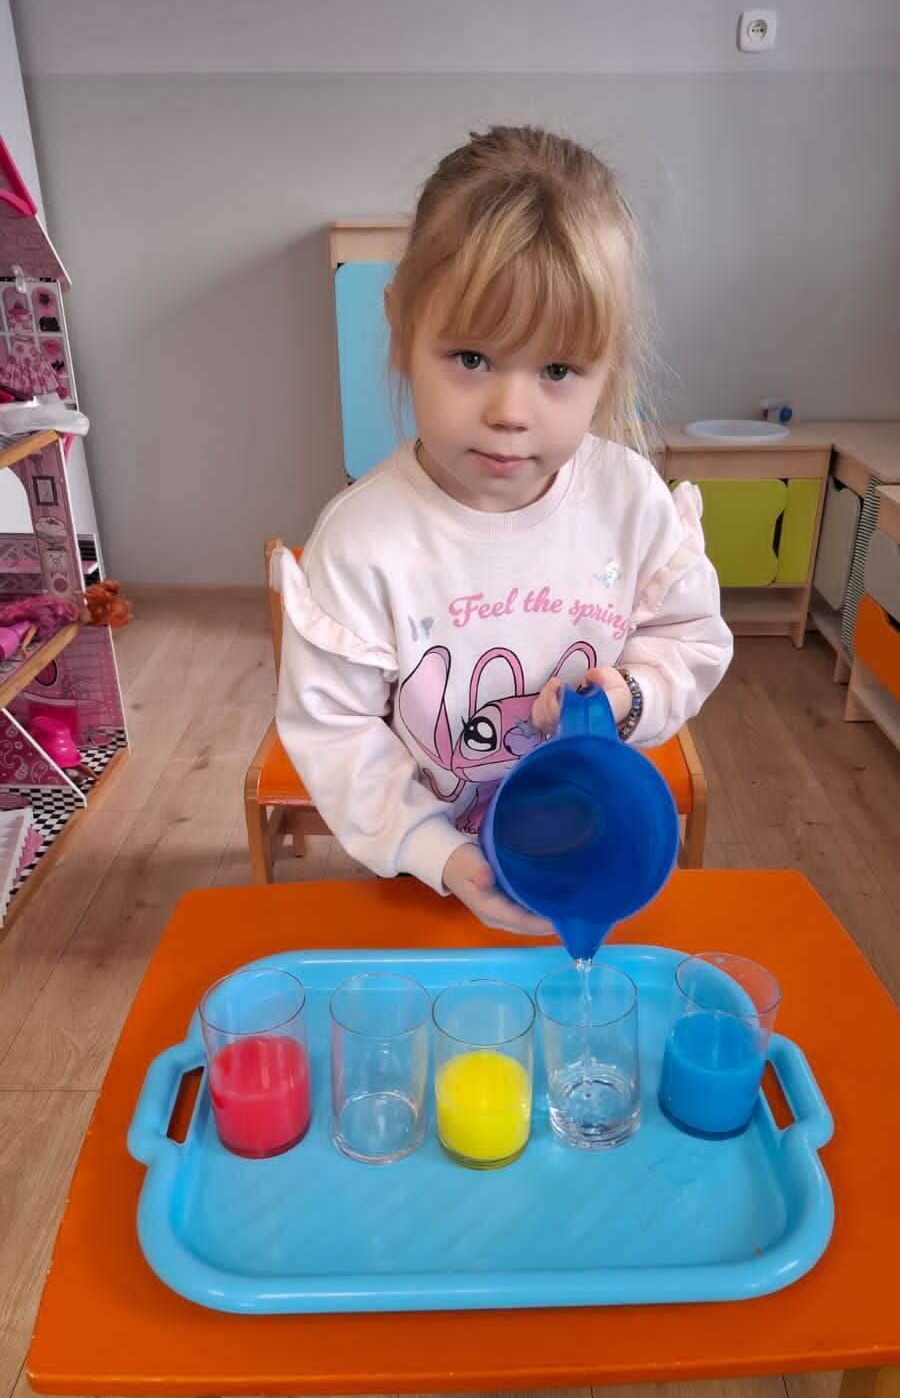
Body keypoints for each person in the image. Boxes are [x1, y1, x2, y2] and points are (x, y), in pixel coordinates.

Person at [276, 125, 732, 935]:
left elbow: (687, 639)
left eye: (556, 370)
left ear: (608, 364)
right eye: (472, 358)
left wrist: (633, 694)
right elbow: (335, 731)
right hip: (424, 874)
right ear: (401, 327)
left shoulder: (630, 503)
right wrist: (440, 854)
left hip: (579, 848)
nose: (510, 412)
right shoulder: (365, 543)